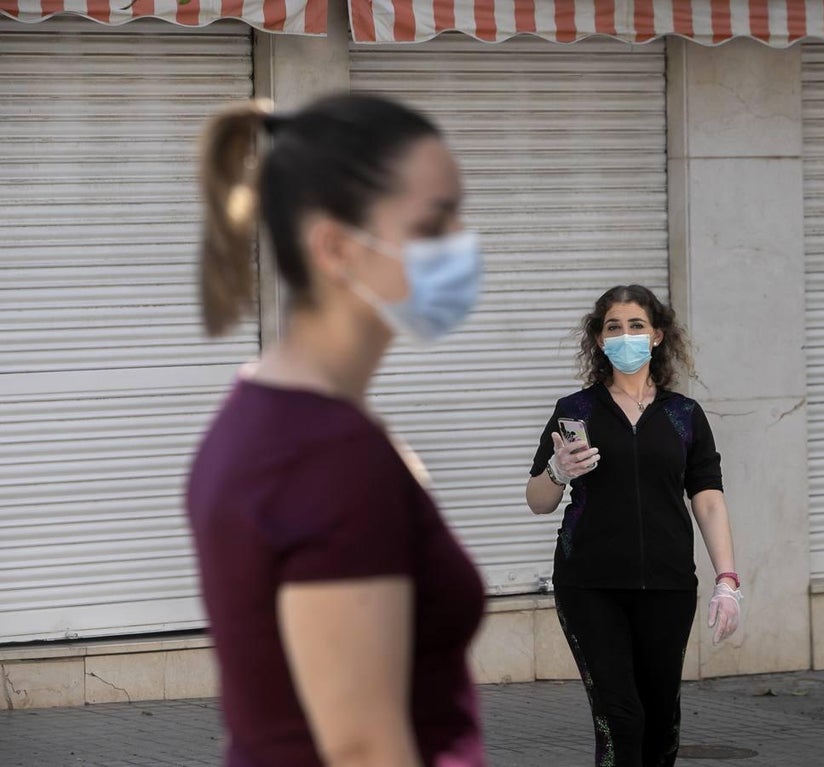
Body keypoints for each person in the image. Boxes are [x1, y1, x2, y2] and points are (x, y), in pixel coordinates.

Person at [185, 94, 487, 767]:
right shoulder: (327, 455)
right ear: (335, 247)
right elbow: (362, 750)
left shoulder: (268, 417)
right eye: (436, 225)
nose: (464, 243)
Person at [525, 285, 744, 767]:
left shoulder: (684, 416)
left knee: (661, 723)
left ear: (658, 336)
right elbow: (538, 500)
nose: (626, 335)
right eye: (614, 327)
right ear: (599, 341)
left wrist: (727, 580)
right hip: (590, 584)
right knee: (620, 719)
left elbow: (707, 498)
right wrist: (557, 472)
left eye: (637, 325)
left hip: (666, 586)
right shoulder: (575, 411)